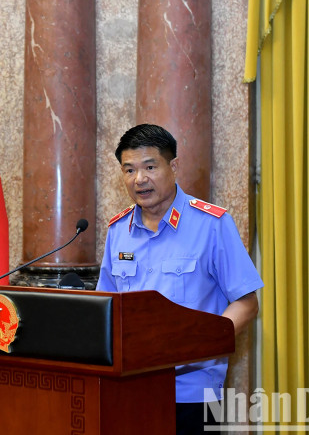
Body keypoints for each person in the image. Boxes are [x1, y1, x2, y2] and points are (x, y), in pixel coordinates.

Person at [95, 124, 263, 435]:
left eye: (149, 167)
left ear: (173, 167)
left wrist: (199, 346)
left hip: (193, 392)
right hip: (129, 387)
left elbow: (246, 302)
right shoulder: (118, 231)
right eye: (129, 170)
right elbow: (105, 305)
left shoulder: (211, 224)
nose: (139, 179)